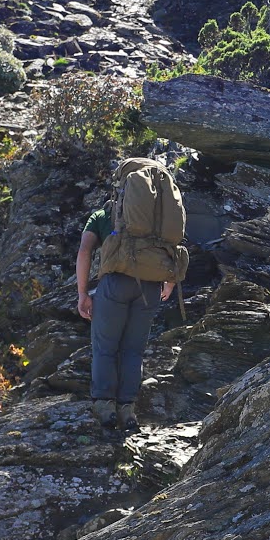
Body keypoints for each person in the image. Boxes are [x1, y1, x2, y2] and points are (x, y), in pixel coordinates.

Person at [76, 158, 185, 432]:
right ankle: (128, 409)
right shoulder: (157, 217)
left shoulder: (105, 215)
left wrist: (82, 295)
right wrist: (169, 281)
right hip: (150, 285)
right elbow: (174, 244)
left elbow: (84, 251)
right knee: (133, 350)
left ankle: (104, 407)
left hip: (115, 283)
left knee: (105, 347)